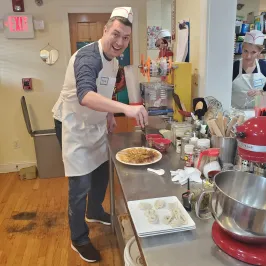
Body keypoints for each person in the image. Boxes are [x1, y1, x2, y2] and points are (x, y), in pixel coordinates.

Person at [52, 7, 148, 263]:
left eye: (125, 38)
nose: (119, 42)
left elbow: (103, 92)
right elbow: (85, 95)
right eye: (115, 34)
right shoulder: (87, 57)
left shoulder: (114, 60)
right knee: (80, 183)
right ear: (105, 30)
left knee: (101, 171)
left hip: (94, 123)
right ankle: (79, 238)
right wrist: (126, 109)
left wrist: (107, 115)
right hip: (72, 125)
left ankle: (94, 211)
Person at [232, 30, 266, 109]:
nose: (248, 56)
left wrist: (261, 93)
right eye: (245, 51)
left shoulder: (264, 66)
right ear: (242, 48)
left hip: (257, 115)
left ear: (259, 52)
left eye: (253, 52)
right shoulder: (233, 67)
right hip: (235, 115)